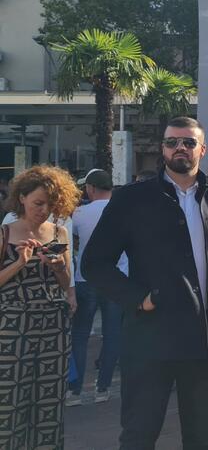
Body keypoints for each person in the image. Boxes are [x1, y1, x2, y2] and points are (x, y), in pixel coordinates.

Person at [83, 117, 208, 450]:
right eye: (172, 142)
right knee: (139, 435)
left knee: (202, 437)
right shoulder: (131, 199)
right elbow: (95, 264)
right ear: (162, 149)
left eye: (189, 142)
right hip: (151, 339)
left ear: (202, 149)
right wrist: (139, 298)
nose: (180, 148)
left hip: (207, 342)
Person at [0, 165, 78, 449]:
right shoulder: (5, 233)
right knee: (10, 400)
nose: (44, 210)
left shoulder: (59, 232)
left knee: (50, 400)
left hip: (53, 328)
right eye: (38, 203)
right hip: (12, 328)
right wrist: (20, 263)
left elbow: (65, 282)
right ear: (21, 198)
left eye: (50, 204)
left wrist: (58, 268)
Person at [68, 168, 126, 407]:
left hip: (86, 279)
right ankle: (103, 388)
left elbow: (69, 239)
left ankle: (74, 390)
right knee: (113, 335)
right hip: (116, 280)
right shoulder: (124, 211)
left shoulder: (79, 213)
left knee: (80, 335)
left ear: (90, 188)